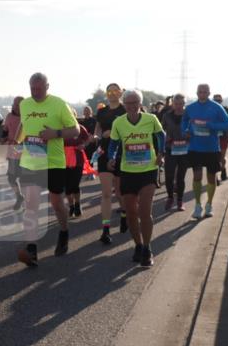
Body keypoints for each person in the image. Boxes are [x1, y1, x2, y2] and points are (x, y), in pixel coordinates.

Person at [15, 73, 79, 267]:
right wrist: (16, 141)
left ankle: (64, 231)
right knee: (31, 204)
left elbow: (75, 130)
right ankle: (32, 249)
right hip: (31, 162)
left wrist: (55, 134)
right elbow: (24, 125)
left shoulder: (59, 104)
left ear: (47, 86)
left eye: (39, 89)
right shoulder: (25, 104)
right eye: (32, 89)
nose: (35, 92)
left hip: (53, 162)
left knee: (56, 202)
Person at [108, 89, 165, 267]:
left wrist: (161, 153)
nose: (131, 106)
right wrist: (110, 157)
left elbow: (161, 136)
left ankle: (147, 248)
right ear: (124, 104)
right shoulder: (119, 122)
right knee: (131, 212)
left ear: (140, 104)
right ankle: (138, 245)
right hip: (128, 171)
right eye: (128, 103)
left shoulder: (151, 119)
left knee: (144, 211)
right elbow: (113, 143)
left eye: (135, 103)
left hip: (148, 170)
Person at [182, 83, 228, 219]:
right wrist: (185, 130)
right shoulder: (191, 107)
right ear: (197, 93)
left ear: (209, 93)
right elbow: (184, 120)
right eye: (200, 92)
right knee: (197, 176)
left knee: (211, 177)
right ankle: (198, 206)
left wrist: (211, 126)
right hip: (195, 147)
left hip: (211, 148)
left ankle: (209, 205)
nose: (202, 94)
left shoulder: (217, 107)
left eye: (205, 92)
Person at [93, 83, 127, 244]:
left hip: (122, 153)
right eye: (109, 91)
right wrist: (97, 136)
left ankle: (124, 215)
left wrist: (113, 133)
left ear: (121, 92)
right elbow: (98, 129)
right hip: (104, 152)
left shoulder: (126, 109)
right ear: (106, 94)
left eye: (115, 90)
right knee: (106, 193)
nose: (112, 93)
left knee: (120, 193)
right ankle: (105, 229)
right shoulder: (101, 111)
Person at [160, 94, 190, 211]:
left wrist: (189, 134)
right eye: (176, 104)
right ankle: (170, 197)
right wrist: (165, 137)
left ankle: (180, 201)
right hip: (170, 148)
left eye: (181, 104)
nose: (178, 106)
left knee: (180, 177)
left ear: (184, 104)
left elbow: (193, 128)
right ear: (173, 104)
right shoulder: (167, 116)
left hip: (184, 149)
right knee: (169, 175)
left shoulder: (188, 116)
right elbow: (161, 130)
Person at [64, 113, 92, 217]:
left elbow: (88, 139)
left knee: (75, 184)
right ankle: (71, 205)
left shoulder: (80, 128)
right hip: (63, 161)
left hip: (78, 160)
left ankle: (77, 204)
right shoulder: (60, 129)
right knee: (67, 187)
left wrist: (83, 145)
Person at [2, 96, 25, 211]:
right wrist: (3, 138)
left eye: (18, 105)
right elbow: (5, 130)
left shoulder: (28, 117)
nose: (15, 106)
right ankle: (19, 196)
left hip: (25, 152)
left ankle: (28, 204)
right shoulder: (9, 116)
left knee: (24, 178)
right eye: (14, 104)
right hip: (12, 151)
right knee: (11, 178)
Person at [212, 94, 228, 181]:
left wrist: (223, 126)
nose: (217, 102)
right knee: (213, 158)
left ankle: (223, 169)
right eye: (215, 101)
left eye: (219, 101)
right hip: (211, 137)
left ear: (221, 101)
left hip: (223, 137)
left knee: (221, 157)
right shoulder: (209, 110)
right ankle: (215, 176)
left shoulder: (226, 110)